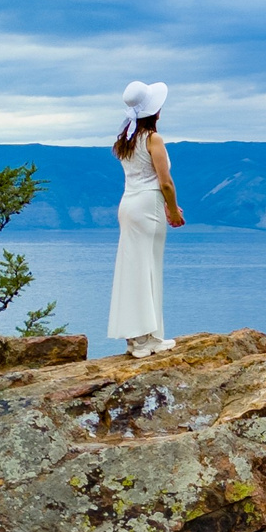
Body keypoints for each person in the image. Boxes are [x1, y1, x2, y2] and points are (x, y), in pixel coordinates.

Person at [106, 80, 184, 358]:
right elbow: (165, 182)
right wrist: (172, 210)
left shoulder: (125, 140)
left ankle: (139, 337)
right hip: (148, 205)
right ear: (155, 111)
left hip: (128, 203)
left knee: (133, 268)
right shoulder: (153, 139)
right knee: (148, 267)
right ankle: (146, 337)